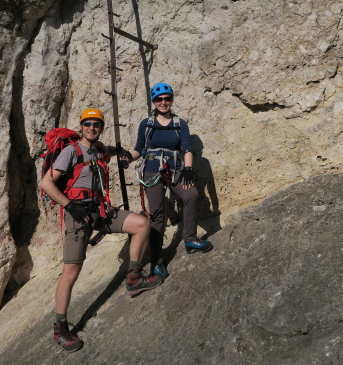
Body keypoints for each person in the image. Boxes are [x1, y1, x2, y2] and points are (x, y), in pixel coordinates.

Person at [40, 108, 162, 353]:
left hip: (101, 211)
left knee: (141, 224)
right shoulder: (70, 151)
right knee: (71, 273)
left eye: (96, 125)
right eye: (88, 124)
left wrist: (123, 152)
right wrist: (69, 205)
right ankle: (60, 328)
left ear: (101, 128)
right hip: (78, 215)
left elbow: (111, 152)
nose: (92, 128)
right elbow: (46, 183)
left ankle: (134, 278)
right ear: (81, 126)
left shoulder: (99, 149)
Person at [121, 83, 213, 280]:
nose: (163, 102)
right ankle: (156, 260)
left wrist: (188, 169)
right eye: (159, 99)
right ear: (154, 102)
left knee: (191, 194)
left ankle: (189, 239)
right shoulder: (146, 124)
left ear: (171, 100)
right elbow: (139, 148)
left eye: (167, 98)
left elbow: (186, 148)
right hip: (152, 170)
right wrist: (129, 157)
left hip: (175, 168)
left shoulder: (180, 123)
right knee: (157, 214)